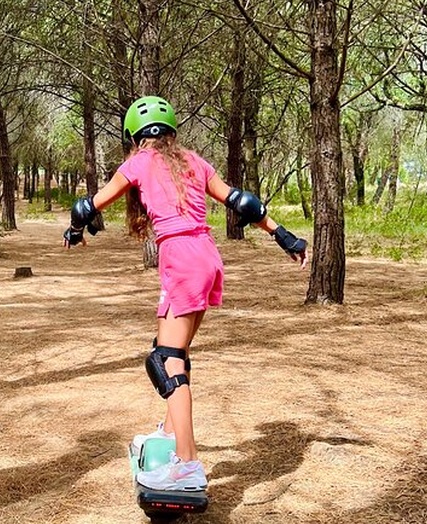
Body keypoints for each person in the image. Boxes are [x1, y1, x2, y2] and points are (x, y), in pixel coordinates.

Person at [63, 96, 307, 492]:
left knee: (166, 359)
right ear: (172, 131)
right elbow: (243, 201)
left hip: (180, 257)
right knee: (175, 351)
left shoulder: (138, 162)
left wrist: (75, 231)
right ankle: (172, 433)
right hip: (207, 257)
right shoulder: (194, 160)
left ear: (134, 136)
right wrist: (284, 236)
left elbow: (86, 205)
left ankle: (188, 465)